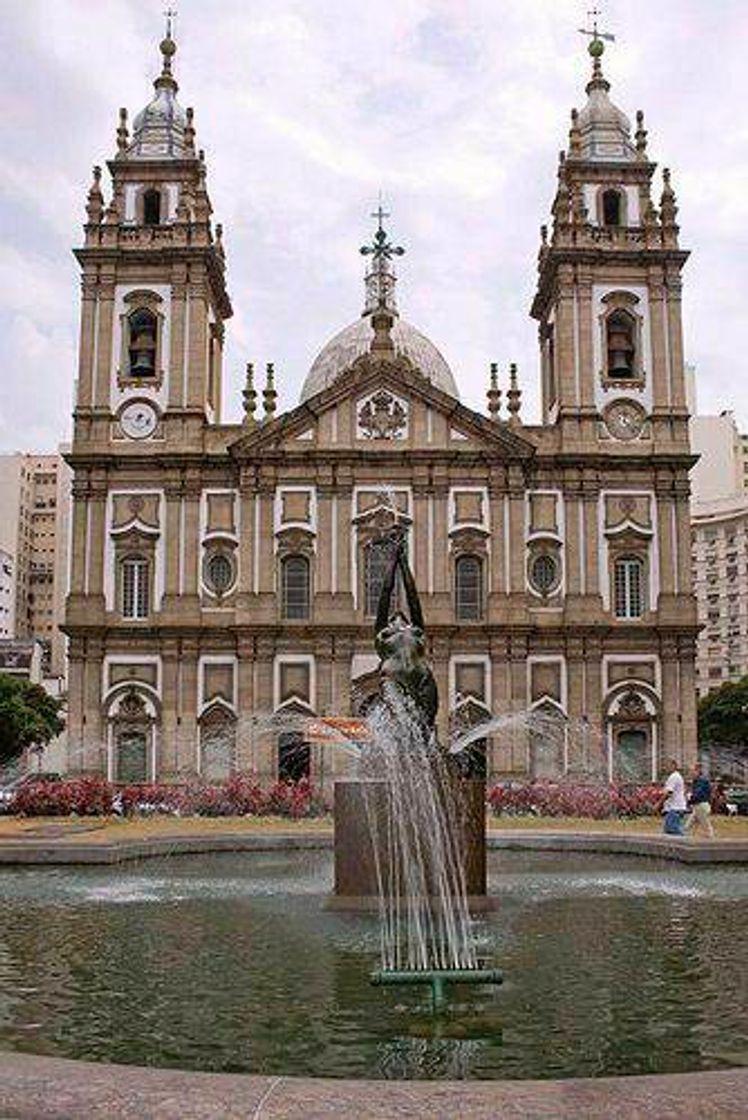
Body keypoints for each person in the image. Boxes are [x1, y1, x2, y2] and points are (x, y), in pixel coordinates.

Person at [374, 529, 438, 733]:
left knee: (426, 727)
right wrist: (393, 560)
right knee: (399, 729)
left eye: (402, 616)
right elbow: (385, 593)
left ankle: (426, 759)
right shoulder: (383, 634)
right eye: (392, 617)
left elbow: (412, 596)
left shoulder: (417, 631)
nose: (398, 615)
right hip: (393, 681)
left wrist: (404, 563)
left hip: (422, 679)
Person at [684, 762, 715, 839]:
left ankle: (711, 841)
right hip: (698, 806)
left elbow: (698, 794)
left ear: (697, 771)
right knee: (688, 826)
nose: (691, 773)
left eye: (692, 771)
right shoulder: (697, 781)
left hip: (701, 806)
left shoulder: (702, 781)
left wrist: (689, 800)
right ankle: (686, 839)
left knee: (706, 827)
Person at [660, 758, 687, 835]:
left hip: (674, 808)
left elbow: (669, 793)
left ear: (674, 765)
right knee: (668, 832)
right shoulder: (677, 776)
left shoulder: (674, 777)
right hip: (675, 808)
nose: (666, 767)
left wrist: (658, 804)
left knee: (674, 832)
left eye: (667, 765)